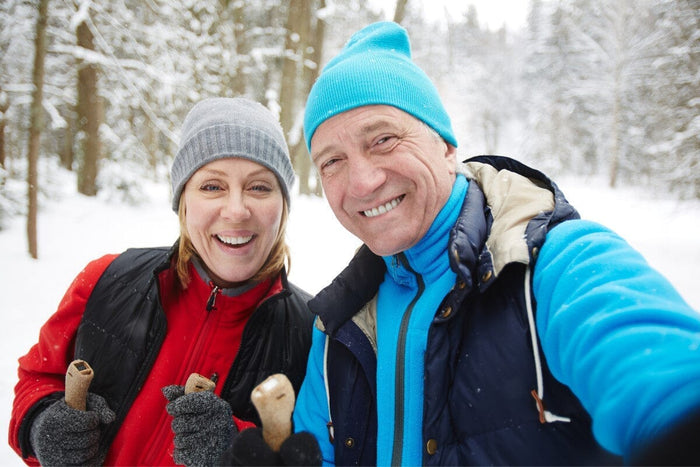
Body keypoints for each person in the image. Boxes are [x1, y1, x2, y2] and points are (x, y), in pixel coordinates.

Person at [223, 21, 700, 466]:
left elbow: (666, 386)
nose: (362, 182)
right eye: (332, 161)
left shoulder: (557, 266)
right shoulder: (338, 327)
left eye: (384, 139)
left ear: (447, 146)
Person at [8, 97, 316, 466]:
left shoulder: (313, 336)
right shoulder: (107, 280)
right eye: (212, 186)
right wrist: (41, 424)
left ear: (283, 204)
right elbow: (37, 376)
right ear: (183, 200)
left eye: (260, 187)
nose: (236, 210)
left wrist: (238, 450)